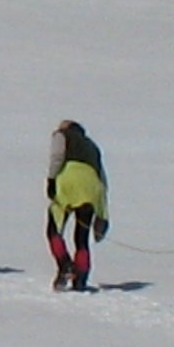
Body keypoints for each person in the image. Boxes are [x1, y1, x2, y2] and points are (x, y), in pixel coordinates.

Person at [46, 119, 108, 291]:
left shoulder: (62, 135)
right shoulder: (93, 147)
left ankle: (64, 264)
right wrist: (103, 212)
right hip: (92, 188)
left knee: (54, 229)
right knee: (82, 237)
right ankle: (81, 276)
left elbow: (57, 156)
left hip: (69, 181)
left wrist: (51, 179)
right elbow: (102, 177)